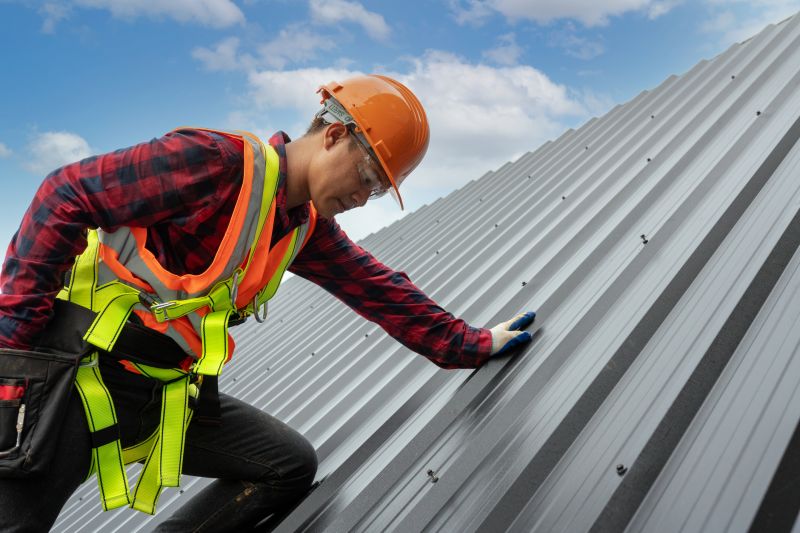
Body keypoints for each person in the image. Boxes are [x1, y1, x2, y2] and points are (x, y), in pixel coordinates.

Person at [0, 75, 535, 531]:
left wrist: (472, 343)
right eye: (368, 177)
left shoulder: (304, 229)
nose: (362, 197)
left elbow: (379, 289)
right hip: (75, 374)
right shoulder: (216, 162)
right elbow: (64, 194)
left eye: (376, 191)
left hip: (156, 392)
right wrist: (14, 355)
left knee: (286, 465)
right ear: (334, 135)